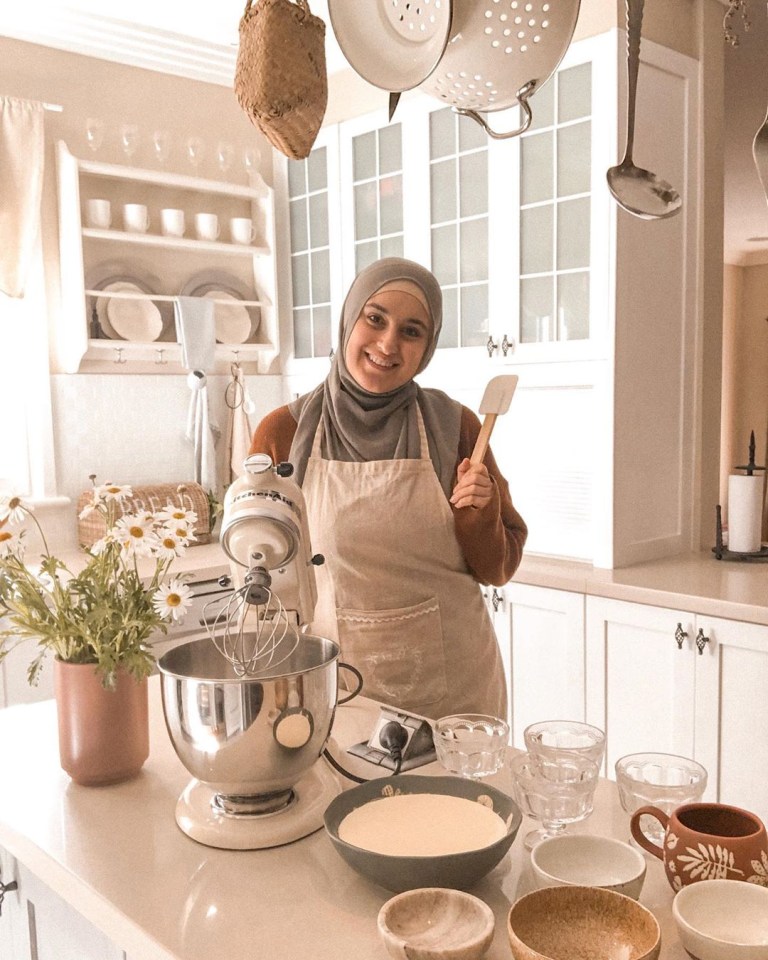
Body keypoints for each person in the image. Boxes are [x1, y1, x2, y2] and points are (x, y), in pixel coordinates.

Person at [250, 257, 527, 721]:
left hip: (455, 694)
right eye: (375, 318)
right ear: (349, 318)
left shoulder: (456, 427)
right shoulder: (284, 433)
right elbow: (263, 571)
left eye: (412, 331)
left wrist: (480, 509)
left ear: (428, 347)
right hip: (339, 686)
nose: (387, 343)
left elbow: (497, 568)